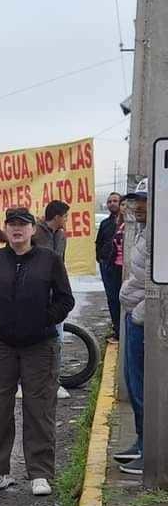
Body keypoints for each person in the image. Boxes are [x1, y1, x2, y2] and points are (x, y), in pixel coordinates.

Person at [0, 207, 74, 497]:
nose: (17, 229)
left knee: (39, 408)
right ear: (6, 229)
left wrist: (45, 319)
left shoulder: (48, 260)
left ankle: (39, 473)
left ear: (32, 230)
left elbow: (65, 299)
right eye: (12, 224)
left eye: (22, 225)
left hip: (40, 344)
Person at [115, 186, 148, 474]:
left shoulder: (159, 235)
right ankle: (141, 441)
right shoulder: (143, 230)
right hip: (134, 316)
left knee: (142, 388)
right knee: (134, 383)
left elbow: (159, 284)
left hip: (144, 320)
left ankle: (150, 450)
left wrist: (138, 316)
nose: (136, 206)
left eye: (143, 202)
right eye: (135, 201)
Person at [32, 200, 72, 400]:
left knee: (57, 339)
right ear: (56, 217)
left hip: (55, 295)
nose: (66, 220)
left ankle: (52, 383)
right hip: (37, 295)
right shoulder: (36, 234)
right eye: (65, 216)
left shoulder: (61, 235)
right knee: (34, 341)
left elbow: (61, 264)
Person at [96, 192, 124, 341]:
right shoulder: (105, 223)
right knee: (112, 298)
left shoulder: (126, 223)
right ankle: (117, 329)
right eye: (109, 201)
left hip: (122, 267)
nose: (112, 203)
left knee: (122, 298)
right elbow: (99, 242)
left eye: (115, 201)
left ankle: (122, 331)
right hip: (107, 265)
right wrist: (100, 259)